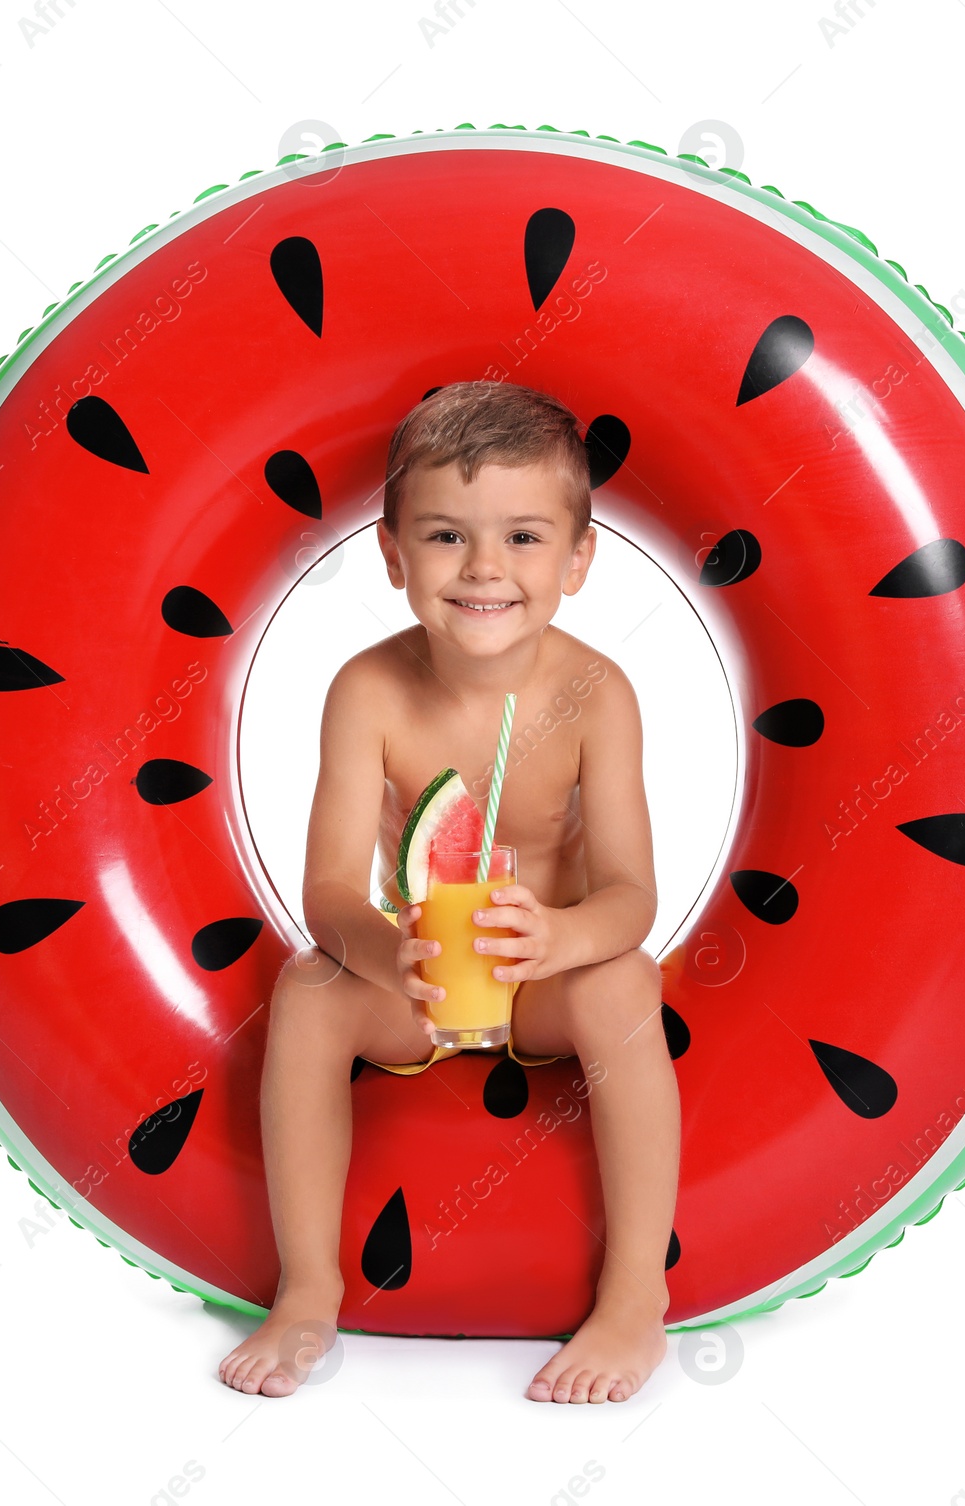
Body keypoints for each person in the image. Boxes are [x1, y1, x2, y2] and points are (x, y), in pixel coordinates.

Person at [218, 380, 679, 1403]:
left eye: (522, 537)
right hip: (417, 985)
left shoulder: (597, 695)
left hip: (542, 984)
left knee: (625, 981)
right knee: (306, 992)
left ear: (577, 560)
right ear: (391, 556)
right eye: (443, 536)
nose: (482, 569)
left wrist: (561, 938)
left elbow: (633, 895)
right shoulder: (367, 690)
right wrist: (388, 956)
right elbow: (331, 886)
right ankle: (306, 1292)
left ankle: (634, 1298)